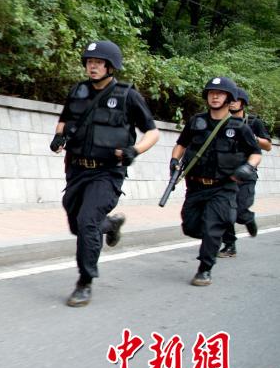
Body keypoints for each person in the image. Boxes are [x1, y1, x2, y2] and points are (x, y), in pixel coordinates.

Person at [50, 41, 160, 307]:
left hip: (107, 173)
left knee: (88, 221)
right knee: (77, 223)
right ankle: (109, 225)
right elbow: (65, 118)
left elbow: (153, 132)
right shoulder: (77, 91)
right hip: (77, 169)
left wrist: (135, 150)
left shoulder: (127, 95)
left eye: (98, 62)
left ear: (111, 66)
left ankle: (84, 282)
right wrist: (58, 136)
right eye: (89, 62)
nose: (93, 66)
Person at [170, 77, 262, 286]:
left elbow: (255, 153)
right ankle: (216, 233)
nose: (215, 96)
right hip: (195, 186)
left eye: (220, 93)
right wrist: (174, 160)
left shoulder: (239, 127)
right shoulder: (196, 122)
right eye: (211, 92)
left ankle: (204, 269)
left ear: (229, 98)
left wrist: (247, 168)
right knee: (190, 227)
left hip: (223, 187)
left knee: (212, 227)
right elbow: (181, 144)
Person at [218, 87, 272, 258]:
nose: (232, 102)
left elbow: (268, 145)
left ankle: (248, 218)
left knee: (240, 212)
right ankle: (229, 245)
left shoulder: (253, 122)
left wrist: (250, 136)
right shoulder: (221, 122)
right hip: (226, 175)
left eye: (236, 100)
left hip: (246, 175)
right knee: (226, 211)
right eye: (230, 99)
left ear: (243, 103)